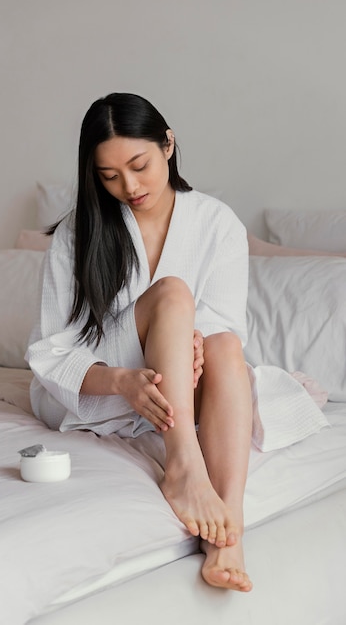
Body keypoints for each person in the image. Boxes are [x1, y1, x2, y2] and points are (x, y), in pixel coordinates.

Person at [27, 92, 254, 592]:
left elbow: (221, 327)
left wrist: (187, 344)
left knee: (224, 347)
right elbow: (50, 348)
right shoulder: (77, 234)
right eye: (109, 176)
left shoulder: (217, 224)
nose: (129, 186)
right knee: (172, 293)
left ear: (168, 145)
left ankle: (229, 532)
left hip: (181, 382)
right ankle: (183, 467)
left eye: (139, 165)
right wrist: (121, 380)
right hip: (100, 386)